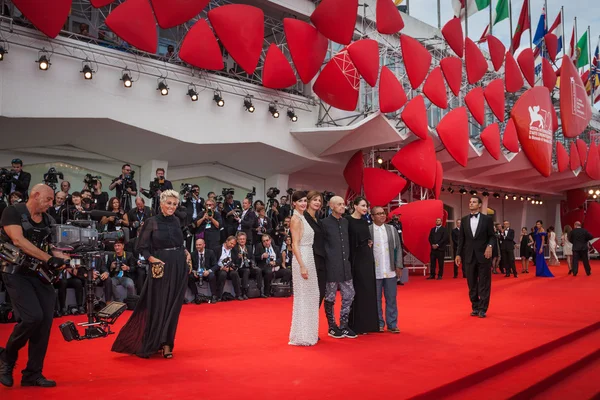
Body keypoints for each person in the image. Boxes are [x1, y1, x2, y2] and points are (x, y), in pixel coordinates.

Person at [0, 184, 69, 388]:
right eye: (48, 199)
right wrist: (49, 258)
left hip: (40, 276)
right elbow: (18, 240)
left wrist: (62, 258)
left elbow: (52, 247)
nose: (51, 203)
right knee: (32, 318)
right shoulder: (12, 211)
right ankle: (7, 359)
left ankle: (32, 374)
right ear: (35, 195)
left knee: (45, 323)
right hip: (15, 274)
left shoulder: (48, 220)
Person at [111, 189, 190, 359]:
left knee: (174, 306)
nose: (172, 207)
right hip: (160, 266)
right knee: (159, 303)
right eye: (169, 203)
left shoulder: (177, 221)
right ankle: (153, 340)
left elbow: (179, 242)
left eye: (175, 204)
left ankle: (167, 343)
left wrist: (185, 252)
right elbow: (141, 246)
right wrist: (152, 259)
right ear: (161, 203)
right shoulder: (151, 222)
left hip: (179, 265)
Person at [322, 196, 356, 339]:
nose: (343, 206)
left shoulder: (346, 222)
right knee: (330, 297)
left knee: (349, 295)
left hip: (345, 265)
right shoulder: (323, 223)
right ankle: (332, 326)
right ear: (332, 206)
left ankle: (344, 325)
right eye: (340, 204)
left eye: (344, 204)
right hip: (331, 266)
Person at [455, 196, 495, 318]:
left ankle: (483, 308)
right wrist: (457, 254)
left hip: (484, 255)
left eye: (474, 202)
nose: (471, 204)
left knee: (484, 283)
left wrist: (489, 246)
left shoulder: (487, 219)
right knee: (471, 283)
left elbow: (492, 236)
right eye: (470, 202)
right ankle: (475, 306)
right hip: (469, 256)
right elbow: (461, 239)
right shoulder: (464, 220)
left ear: (479, 205)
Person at [288, 191, 319, 346]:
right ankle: (302, 335)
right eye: (300, 201)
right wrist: (302, 266)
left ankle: (308, 333)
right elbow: (294, 244)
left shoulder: (302, 217)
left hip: (309, 256)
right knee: (304, 297)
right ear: (294, 203)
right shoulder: (295, 219)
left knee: (312, 296)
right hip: (303, 258)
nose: (303, 203)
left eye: (305, 201)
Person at [347, 197, 379, 334]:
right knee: (358, 291)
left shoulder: (366, 221)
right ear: (355, 206)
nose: (365, 208)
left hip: (367, 257)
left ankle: (369, 325)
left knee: (368, 289)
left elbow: (366, 238)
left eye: (366, 206)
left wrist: (369, 243)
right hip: (356, 259)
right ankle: (356, 325)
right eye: (363, 205)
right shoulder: (347, 220)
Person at [369, 206, 402, 333]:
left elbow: (398, 248)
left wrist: (399, 265)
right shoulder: (368, 230)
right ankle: (379, 323)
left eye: (383, 213)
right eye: (378, 214)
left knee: (391, 298)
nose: (382, 216)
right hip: (375, 271)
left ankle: (392, 324)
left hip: (390, 270)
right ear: (372, 216)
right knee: (376, 299)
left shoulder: (392, 229)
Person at [303, 191, 327, 306]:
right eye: (315, 200)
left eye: (319, 200)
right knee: (311, 294)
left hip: (321, 259)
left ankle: (311, 321)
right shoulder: (303, 218)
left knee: (320, 292)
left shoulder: (318, 218)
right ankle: (307, 322)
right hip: (310, 260)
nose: (317, 202)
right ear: (308, 201)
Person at [188, 238, 218, 304]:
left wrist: (208, 271)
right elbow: (190, 266)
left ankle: (214, 295)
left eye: (199, 245)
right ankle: (196, 295)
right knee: (189, 277)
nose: (198, 246)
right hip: (197, 273)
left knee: (212, 275)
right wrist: (193, 271)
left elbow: (216, 265)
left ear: (204, 245)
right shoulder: (193, 254)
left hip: (206, 273)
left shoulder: (210, 252)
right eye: (196, 245)